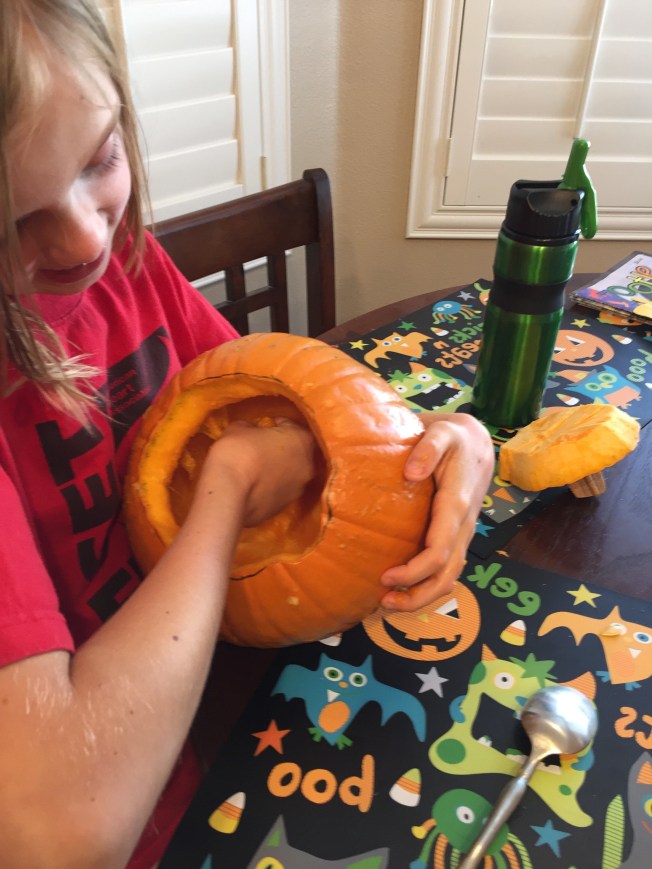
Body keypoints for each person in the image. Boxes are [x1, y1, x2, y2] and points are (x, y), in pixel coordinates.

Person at [0, 2, 494, 867]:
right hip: (125, 788)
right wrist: (226, 484)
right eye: (12, 220)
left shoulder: (131, 265)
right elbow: (60, 832)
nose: (84, 237)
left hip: (230, 699)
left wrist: (449, 437)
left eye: (101, 159)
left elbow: (300, 407)